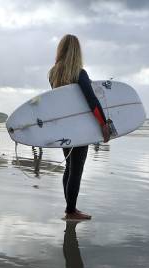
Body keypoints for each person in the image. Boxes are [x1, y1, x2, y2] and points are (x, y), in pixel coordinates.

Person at [49, 34, 111, 220]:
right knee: (77, 169)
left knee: (69, 166)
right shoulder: (79, 73)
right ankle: (71, 210)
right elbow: (91, 100)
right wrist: (103, 124)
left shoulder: (53, 73)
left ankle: (69, 207)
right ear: (77, 51)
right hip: (80, 129)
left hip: (63, 128)